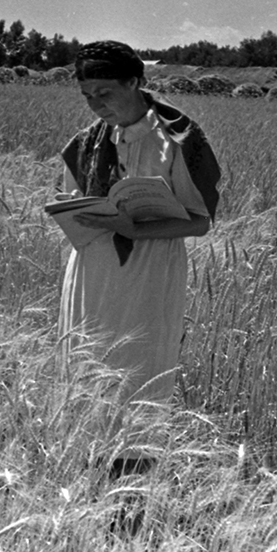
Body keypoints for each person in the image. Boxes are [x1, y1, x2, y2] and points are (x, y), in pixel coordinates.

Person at [57, 40, 221, 411]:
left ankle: (137, 461)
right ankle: (86, 457)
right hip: (92, 267)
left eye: (104, 93)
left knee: (140, 363)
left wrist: (135, 229)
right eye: (87, 95)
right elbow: (68, 198)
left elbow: (199, 222)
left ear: (133, 82)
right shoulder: (86, 143)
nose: (96, 105)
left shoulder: (177, 140)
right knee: (86, 359)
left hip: (149, 270)